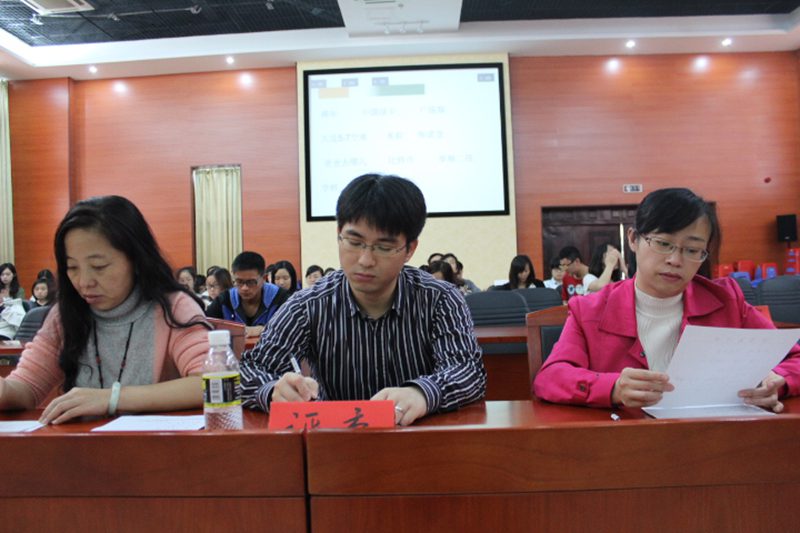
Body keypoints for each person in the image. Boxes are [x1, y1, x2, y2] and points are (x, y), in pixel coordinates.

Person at [240, 173, 486, 426]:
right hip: (336, 440)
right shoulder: (308, 305)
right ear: (339, 234)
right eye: (354, 242)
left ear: (410, 249)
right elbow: (249, 372)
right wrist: (273, 391)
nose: (365, 260)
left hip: (420, 438)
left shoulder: (440, 300)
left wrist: (422, 393)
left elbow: (468, 371)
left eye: (384, 247)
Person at [534, 188, 800, 412]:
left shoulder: (727, 301)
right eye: (663, 244)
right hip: (625, 444)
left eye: (692, 249)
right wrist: (612, 388)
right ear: (633, 240)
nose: (675, 260)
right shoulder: (589, 310)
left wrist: (778, 381)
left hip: (713, 442)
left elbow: (794, 358)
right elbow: (550, 377)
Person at [0, 195, 211, 424]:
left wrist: (112, 398)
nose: (84, 282)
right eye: (72, 267)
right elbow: (26, 386)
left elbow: (211, 382)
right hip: (85, 445)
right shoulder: (65, 315)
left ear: (136, 259)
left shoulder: (172, 308)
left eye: (99, 266)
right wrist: (5, 391)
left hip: (159, 443)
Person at [205, 251, 290, 338]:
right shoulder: (225, 299)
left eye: (251, 282)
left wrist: (263, 329)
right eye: (239, 281)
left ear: (264, 279)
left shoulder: (280, 298)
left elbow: (291, 330)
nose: (244, 288)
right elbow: (204, 325)